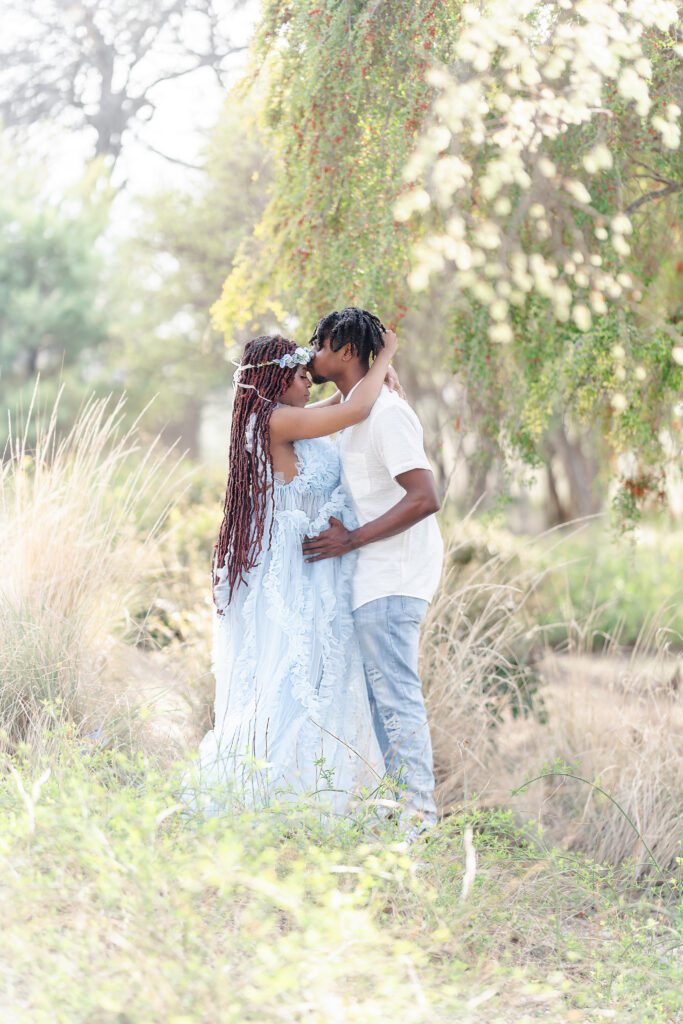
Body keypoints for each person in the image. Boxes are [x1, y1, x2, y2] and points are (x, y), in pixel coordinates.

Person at [195, 328, 398, 814]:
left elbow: (340, 407)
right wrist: (385, 355)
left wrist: (367, 379)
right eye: (302, 376)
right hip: (295, 577)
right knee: (295, 674)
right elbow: (353, 410)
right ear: (278, 378)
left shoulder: (282, 418)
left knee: (308, 674)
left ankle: (307, 787)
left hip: (312, 571)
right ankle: (283, 793)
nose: (311, 384)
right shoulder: (273, 422)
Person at [303, 307, 443, 836]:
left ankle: (421, 823)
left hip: (394, 574)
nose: (309, 353)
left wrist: (351, 540)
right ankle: (406, 816)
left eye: (317, 343)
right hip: (373, 575)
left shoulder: (385, 414)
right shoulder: (357, 407)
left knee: (397, 698)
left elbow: (426, 497)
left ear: (344, 349)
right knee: (383, 704)